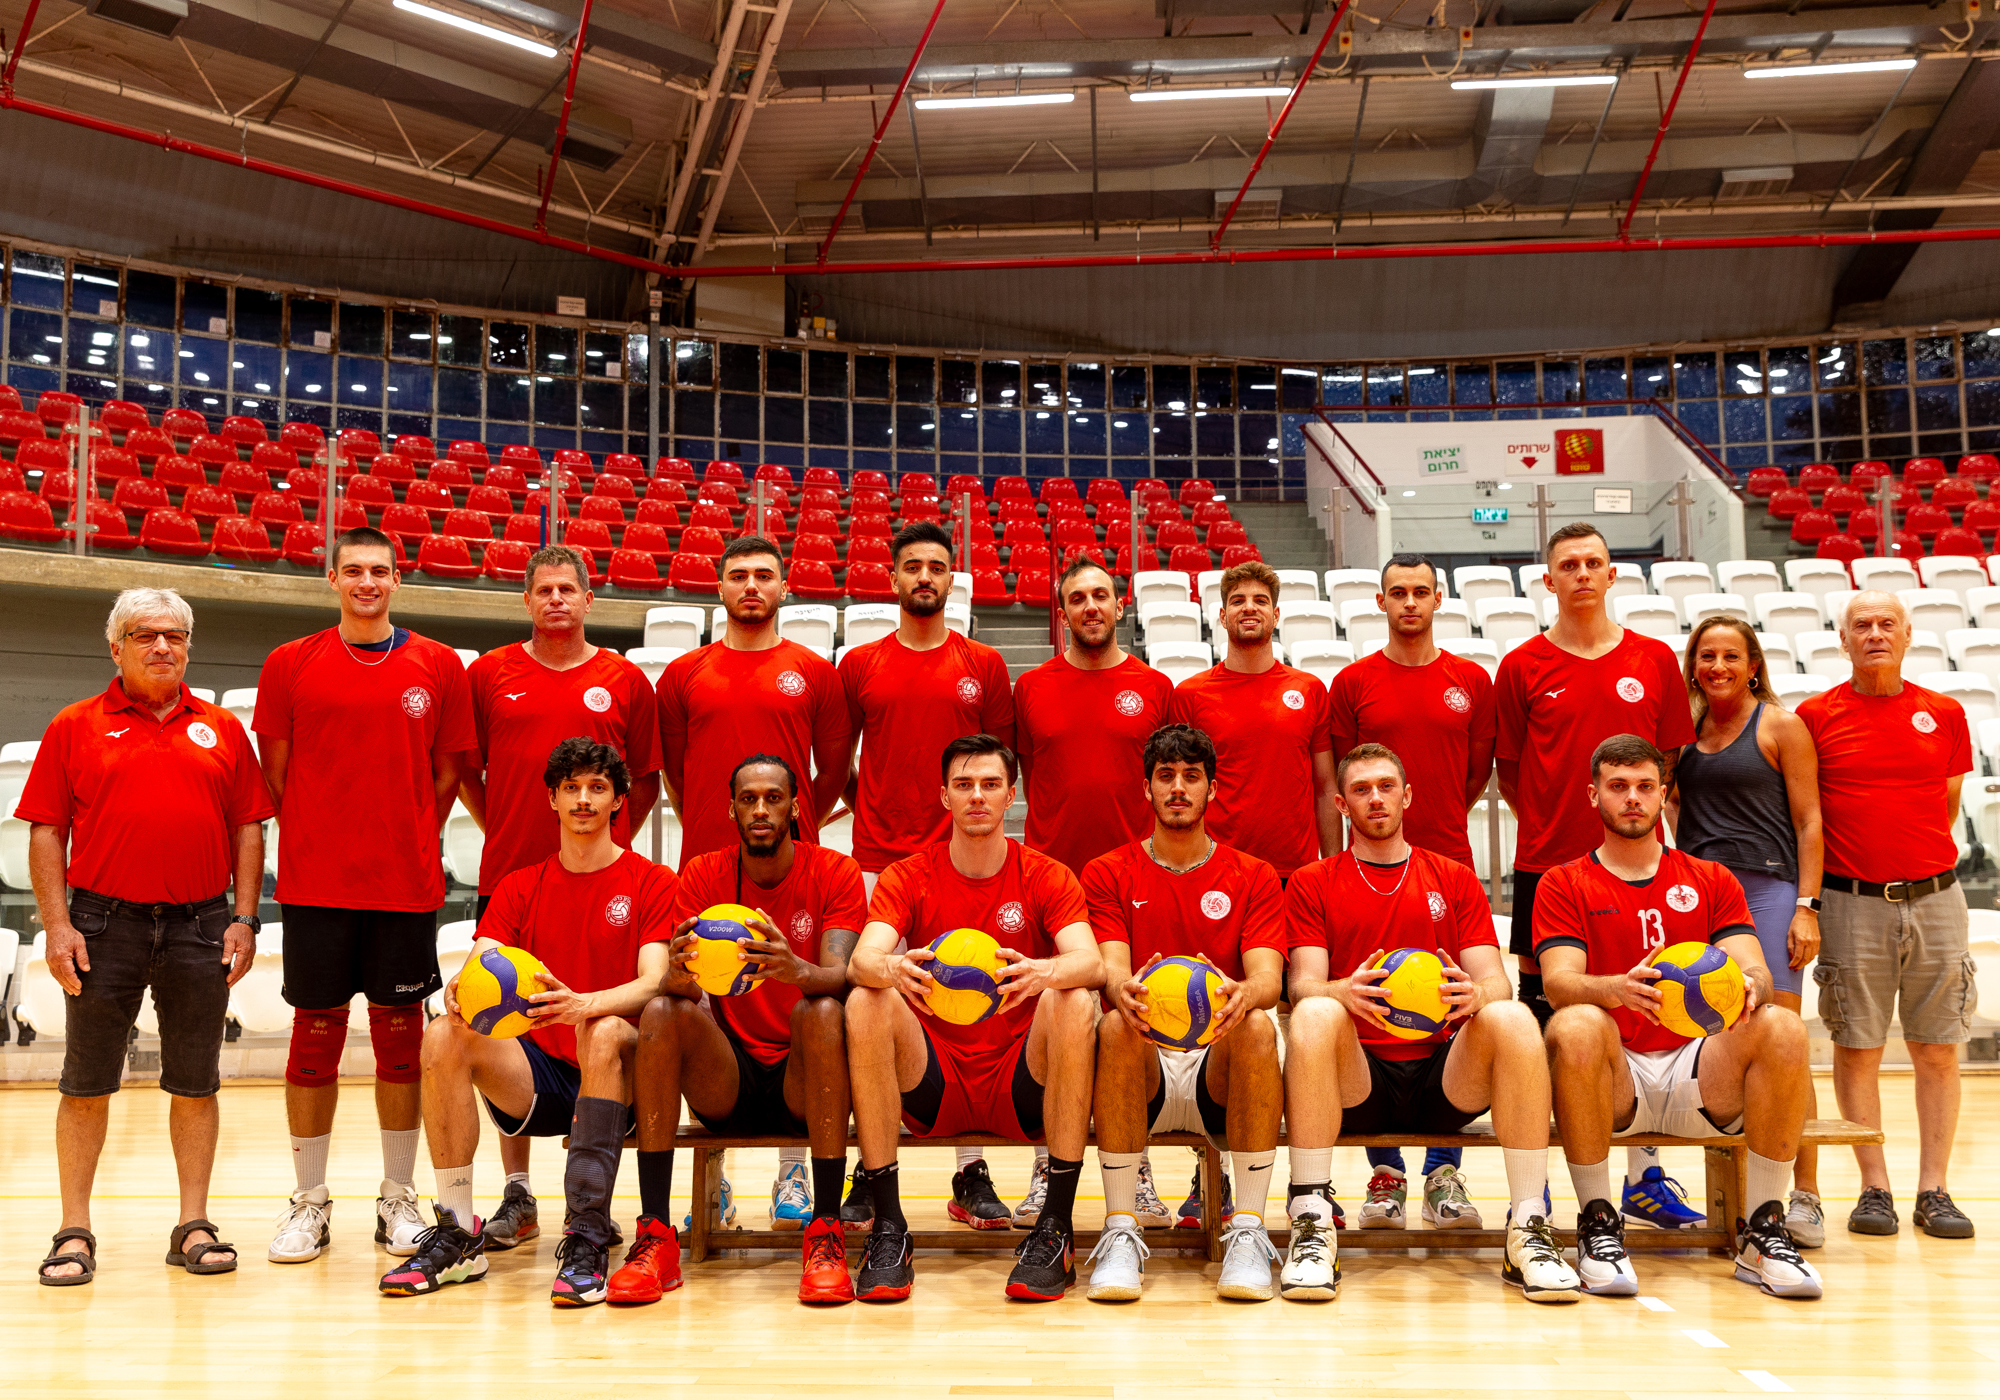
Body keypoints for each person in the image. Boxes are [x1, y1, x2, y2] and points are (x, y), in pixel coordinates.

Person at [21, 589, 271, 1285]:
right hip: (103, 925)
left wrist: (245, 918)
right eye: (145, 635)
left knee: (196, 1082)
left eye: (175, 636)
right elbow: (46, 830)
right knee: (85, 1083)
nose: (163, 646)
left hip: (201, 924)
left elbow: (248, 827)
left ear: (188, 647)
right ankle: (74, 1230)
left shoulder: (223, 728)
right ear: (116, 647)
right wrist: (58, 924)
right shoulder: (74, 725)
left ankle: (193, 1223)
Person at [381, 739, 676, 1303]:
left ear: (618, 800)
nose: (583, 799)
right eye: (571, 788)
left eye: (597, 788)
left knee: (602, 1029)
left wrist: (585, 1004)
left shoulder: (651, 880)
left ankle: (587, 1233)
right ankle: (456, 1233)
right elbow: (484, 958)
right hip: (539, 1076)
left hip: (624, 1076)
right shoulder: (521, 886)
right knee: (444, 1032)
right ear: (552, 799)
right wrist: (462, 988)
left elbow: (655, 981)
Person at [1280, 744, 1575, 1303]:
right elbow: (1302, 986)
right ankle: (1312, 1219)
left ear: (1407, 796)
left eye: (1386, 786)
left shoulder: (1453, 878)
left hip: (1444, 1077)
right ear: (1342, 805)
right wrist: (1342, 991)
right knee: (1315, 1012)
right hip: (1359, 1082)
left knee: (1512, 1016)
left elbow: (1497, 983)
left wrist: (1474, 994)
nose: (1375, 799)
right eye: (1361, 790)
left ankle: (1529, 1225)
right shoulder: (1314, 881)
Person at [254, 526, 477, 1264]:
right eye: (353, 570)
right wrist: (324, 833)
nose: (367, 582)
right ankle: (309, 1200)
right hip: (316, 884)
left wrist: (404, 832)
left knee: (401, 1043)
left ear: (397, 579)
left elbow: (447, 774)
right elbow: (275, 771)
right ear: (333, 578)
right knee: (314, 1038)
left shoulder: (438, 664)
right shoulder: (290, 662)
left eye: (379, 570)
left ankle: (397, 1198)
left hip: (403, 885)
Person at [1538, 734, 1822, 1300]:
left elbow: (1757, 969)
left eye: (1646, 786)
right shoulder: (1563, 881)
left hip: (1701, 1069)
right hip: (1618, 1079)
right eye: (1618, 787)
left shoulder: (1710, 878)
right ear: (1594, 795)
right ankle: (1598, 1223)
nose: (1633, 798)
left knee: (1783, 1024)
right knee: (1573, 1024)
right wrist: (1617, 989)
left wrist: (1750, 986)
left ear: (1664, 794)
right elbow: (1558, 982)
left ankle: (1762, 1230)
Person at [844, 734, 1101, 1303]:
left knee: (1075, 998)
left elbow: (1092, 962)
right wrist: (890, 967)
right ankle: (890, 1229)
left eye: (990, 785)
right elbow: (862, 959)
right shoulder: (908, 875)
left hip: (1019, 1081)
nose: (977, 796)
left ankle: (1055, 1229)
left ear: (1011, 795)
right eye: (964, 785)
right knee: (865, 998)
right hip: (933, 1080)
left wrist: (1043, 971)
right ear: (944, 797)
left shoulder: (1046, 875)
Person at [460, 544, 662, 1250]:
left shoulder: (623, 679)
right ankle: (517, 1193)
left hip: (599, 882)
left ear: (587, 599)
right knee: (501, 1019)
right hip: (512, 879)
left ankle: (592, 1198)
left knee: (593, 1023)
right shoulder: (489, 674)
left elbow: (645, 779)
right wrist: (508, 827)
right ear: (526, 600)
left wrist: (600, 844)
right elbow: (467, 770)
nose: (555, 600)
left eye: (567, 589)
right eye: (543, 589)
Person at [1496, 522, 1698, 1227]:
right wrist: (1558, 828)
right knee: (1548, 1027)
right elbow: (1511, 770)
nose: (1582, 573)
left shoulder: (1654, 659)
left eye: (1593, 563)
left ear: (1613, 575)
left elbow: (1668, 762)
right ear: (1547, 580)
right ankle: (1542, 1183)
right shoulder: (1521, 665)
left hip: (1641, 872)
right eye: (1568, 565)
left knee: (1647, 1011)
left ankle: (1645, 1177)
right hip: (1547, 866)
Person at [614, 754, 867, 1304]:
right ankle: (655, 1236)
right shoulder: (704, 873)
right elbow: (681, 993)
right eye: (748, 799)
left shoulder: (835, 871)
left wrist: (795, 970)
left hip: (803, 1081)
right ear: (731, 809)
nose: (760, 810)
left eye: (773, 798)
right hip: (728, 1078)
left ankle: (825, 1231)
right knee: (660, 1011)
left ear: (795, 807)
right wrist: (677, 975)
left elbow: (843, 977)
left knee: (823, 1010)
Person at [657, 535, 854, 1227]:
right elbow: (677, 773)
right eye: (737, 574)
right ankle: (715, 1181)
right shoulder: (683, 674)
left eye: (763, 575)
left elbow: (832, 770)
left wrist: (793, 828)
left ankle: (794, 1173)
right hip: (712, 868)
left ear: (783, 586)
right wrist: (713, 830)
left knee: (793, 1002)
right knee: (706, 1014)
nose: (750, 586)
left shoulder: (815, 672)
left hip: (788, 869)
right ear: (719, 586)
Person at [834, 520, 1018, 1227]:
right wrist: (878, 812)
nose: (924, 577)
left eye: (936, 567)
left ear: (951, 579)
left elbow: (996, 763)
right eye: (912, 566)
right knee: (871, 1007)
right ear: (893, 578)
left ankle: (970, 1171)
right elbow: (840, 761)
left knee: (965, 1005)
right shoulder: (861, 664)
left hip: (962, 865)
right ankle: (868, 1167)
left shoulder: (984, 664)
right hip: (879, 863)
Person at [1080, 724, 1287, 1302]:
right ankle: (1121, 1232)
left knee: (1257, 1023)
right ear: (1146, 788)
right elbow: (1112, 968)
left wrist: (1243, 991)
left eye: (1191, 777)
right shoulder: (1107, 871)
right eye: (1165, 776)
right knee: (1114, 1022)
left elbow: (1268, 979)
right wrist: (1122, 988)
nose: (1178, 788)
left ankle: (1248, 1231)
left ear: (1211, 789)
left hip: (1216, 1066)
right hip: (1143, 1062)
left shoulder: (1253, 874)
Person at [1797, 591, 1978, 1240]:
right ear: (1842, 640)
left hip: (1937, 899)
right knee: (1857, 1047)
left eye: (1886, 624)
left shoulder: (1945, 713)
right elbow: (1806, 813)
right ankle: (1874, 1187)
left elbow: (1946, 804)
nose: (1875, 634)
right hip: (1850, 903)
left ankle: (1935, 1189)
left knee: (1938, 1049)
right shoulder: (1814, 717)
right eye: (1862, 626)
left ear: (1907, 636)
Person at [1327, 551, 1496, 1228]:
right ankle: (1387, 1171)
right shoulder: (1353, 682)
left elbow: (1476, 772)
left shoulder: (1470, 680)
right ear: (1381, 601)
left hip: (1444, 862)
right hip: (1368, 871)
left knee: (1452, 1001)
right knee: (1380, 1000)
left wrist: (1436, 829)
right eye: (1397, 592)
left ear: (1437, 599)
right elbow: (1343, 772)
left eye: (1420, 591)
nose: (1409, 602)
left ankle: (1443, 1170)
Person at [1014, 557, 1177, 1229]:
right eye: (1077, 597)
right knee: (1051, 1021)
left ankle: (1135, 1167)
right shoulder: (1031, 688)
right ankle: (1042, 1167)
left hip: (1133, 881)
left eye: (1101, 595)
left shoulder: (1156, 687)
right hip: (1051, 879)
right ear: (1062, 612)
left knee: (1131, 1023)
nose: (1090, 606)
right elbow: (1027, 773)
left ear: (1119, 605)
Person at [1669, 615, 1829, 1246]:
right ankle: (1744, 1199)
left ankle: (1805, 1194)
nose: (1718, 667)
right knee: (1721, 1040)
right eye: (1706, 656)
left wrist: (1806, 906)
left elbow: (1810, 821)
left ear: (1754, 665)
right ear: (1693, 667)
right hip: (1700, 896)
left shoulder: (1780, 725)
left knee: (1781, 1040)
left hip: (1767, 891)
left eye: (1731, 656)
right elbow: (1675, 804)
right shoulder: (1684, 733)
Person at [1166, 559, 1339, 882]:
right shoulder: (1189, 695)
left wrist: (1332, 868)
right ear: (1222, 616)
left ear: (1275, 614)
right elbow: (1179, 791)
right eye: (1238, 601)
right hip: (1215, 869)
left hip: (1295, 870)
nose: (1249, 608)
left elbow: (1325, 788)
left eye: (1260, 600)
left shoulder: (1310, 689)